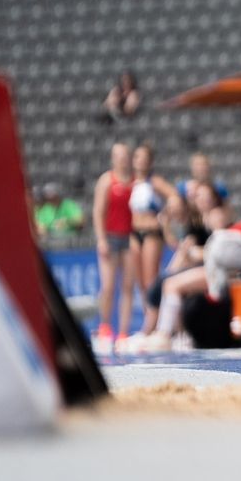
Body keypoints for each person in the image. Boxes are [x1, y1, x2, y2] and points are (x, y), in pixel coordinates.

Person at [127, 144, 180, 336]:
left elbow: (174, 195)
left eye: (143, 158)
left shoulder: (154, 181)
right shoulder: (131, 182)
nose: (140, 161)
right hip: (134, 233)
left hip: (151, 233)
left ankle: (154, 324)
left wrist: (164, 217)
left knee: (151, 279)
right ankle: (150, 318)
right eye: (137, 157)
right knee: (140, 282)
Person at [91, 143, 136, 344]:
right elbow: (98, 212)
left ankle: (124, 331)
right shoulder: (107, 180)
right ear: (113, 158)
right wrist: (101, 239)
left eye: (125, 155)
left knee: (127, 286)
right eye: (118, 155)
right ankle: (105, 326)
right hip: (110, 236)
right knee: (108, 285)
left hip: (130, 238)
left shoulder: (136, 182)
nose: (122, 159)